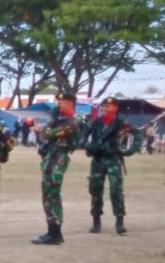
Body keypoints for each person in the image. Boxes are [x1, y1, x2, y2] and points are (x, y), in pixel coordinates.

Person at [83, 96, 143, 235]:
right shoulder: (94, 123)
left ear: (115, 108)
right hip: (98, 160)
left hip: (114, 160)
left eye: (108, 106)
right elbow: (83, 137)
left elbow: (138, 133)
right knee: (95, 190)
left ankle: (119, 222)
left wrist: (131, 150)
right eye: (103, 106)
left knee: (116, 191)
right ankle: (96, 221)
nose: (104, 108)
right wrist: (89, 146)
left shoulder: (121, 123)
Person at [32, 93, 83, 245]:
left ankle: (56, 233)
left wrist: (44, 128)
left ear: (71, 104)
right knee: (47, 196)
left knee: (53, 194)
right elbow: (45, 135)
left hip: (58, 159)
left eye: (62, 102)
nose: (59, 105)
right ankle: (51, 231)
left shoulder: (73, 123)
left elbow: (49, 133)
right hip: (50, 159)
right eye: (59, 102)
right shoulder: (58, 120)